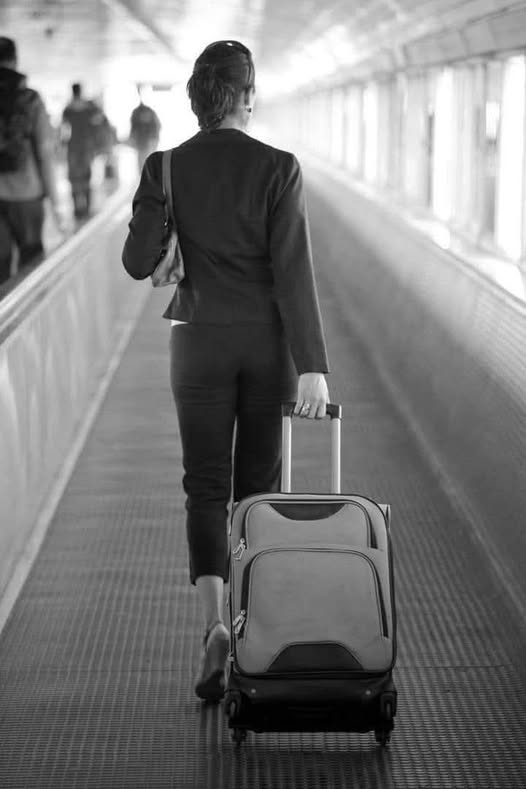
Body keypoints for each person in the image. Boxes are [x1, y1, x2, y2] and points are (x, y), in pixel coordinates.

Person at [121, 40, 330, 702]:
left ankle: (213, 626)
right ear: (248, 96)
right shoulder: (279, 168)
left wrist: (161, 219)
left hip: (197, 342)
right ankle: (254, 628)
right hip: (267, 347)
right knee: (258, 488)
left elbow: (136, 262)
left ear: (195, 99)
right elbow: (293, 271)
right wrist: (313, 366)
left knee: (205, 487)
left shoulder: (165, 166)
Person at [0, 36, 63, 285]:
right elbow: (45, 152)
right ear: (15, 60)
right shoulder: (30, 99)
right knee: (31, 263)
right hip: (26, 193)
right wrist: (55, 200)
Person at [62, 83, 103, 219]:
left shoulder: (68, 109)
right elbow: (98, 121)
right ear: (81, 91)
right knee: (86, 177)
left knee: (74, 179)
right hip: (86, 147)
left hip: (73, 148)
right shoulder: (89, 108)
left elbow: (63, 130)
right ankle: (87, 207)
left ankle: (77, 209)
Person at [129, 88, 161, 173]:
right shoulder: (136, 112)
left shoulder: (149, 111)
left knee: (148, 160)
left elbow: (157, 126)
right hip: (141, 141)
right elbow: (133, 128)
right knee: (142, 161)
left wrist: (154, 139)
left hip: (148, 140)